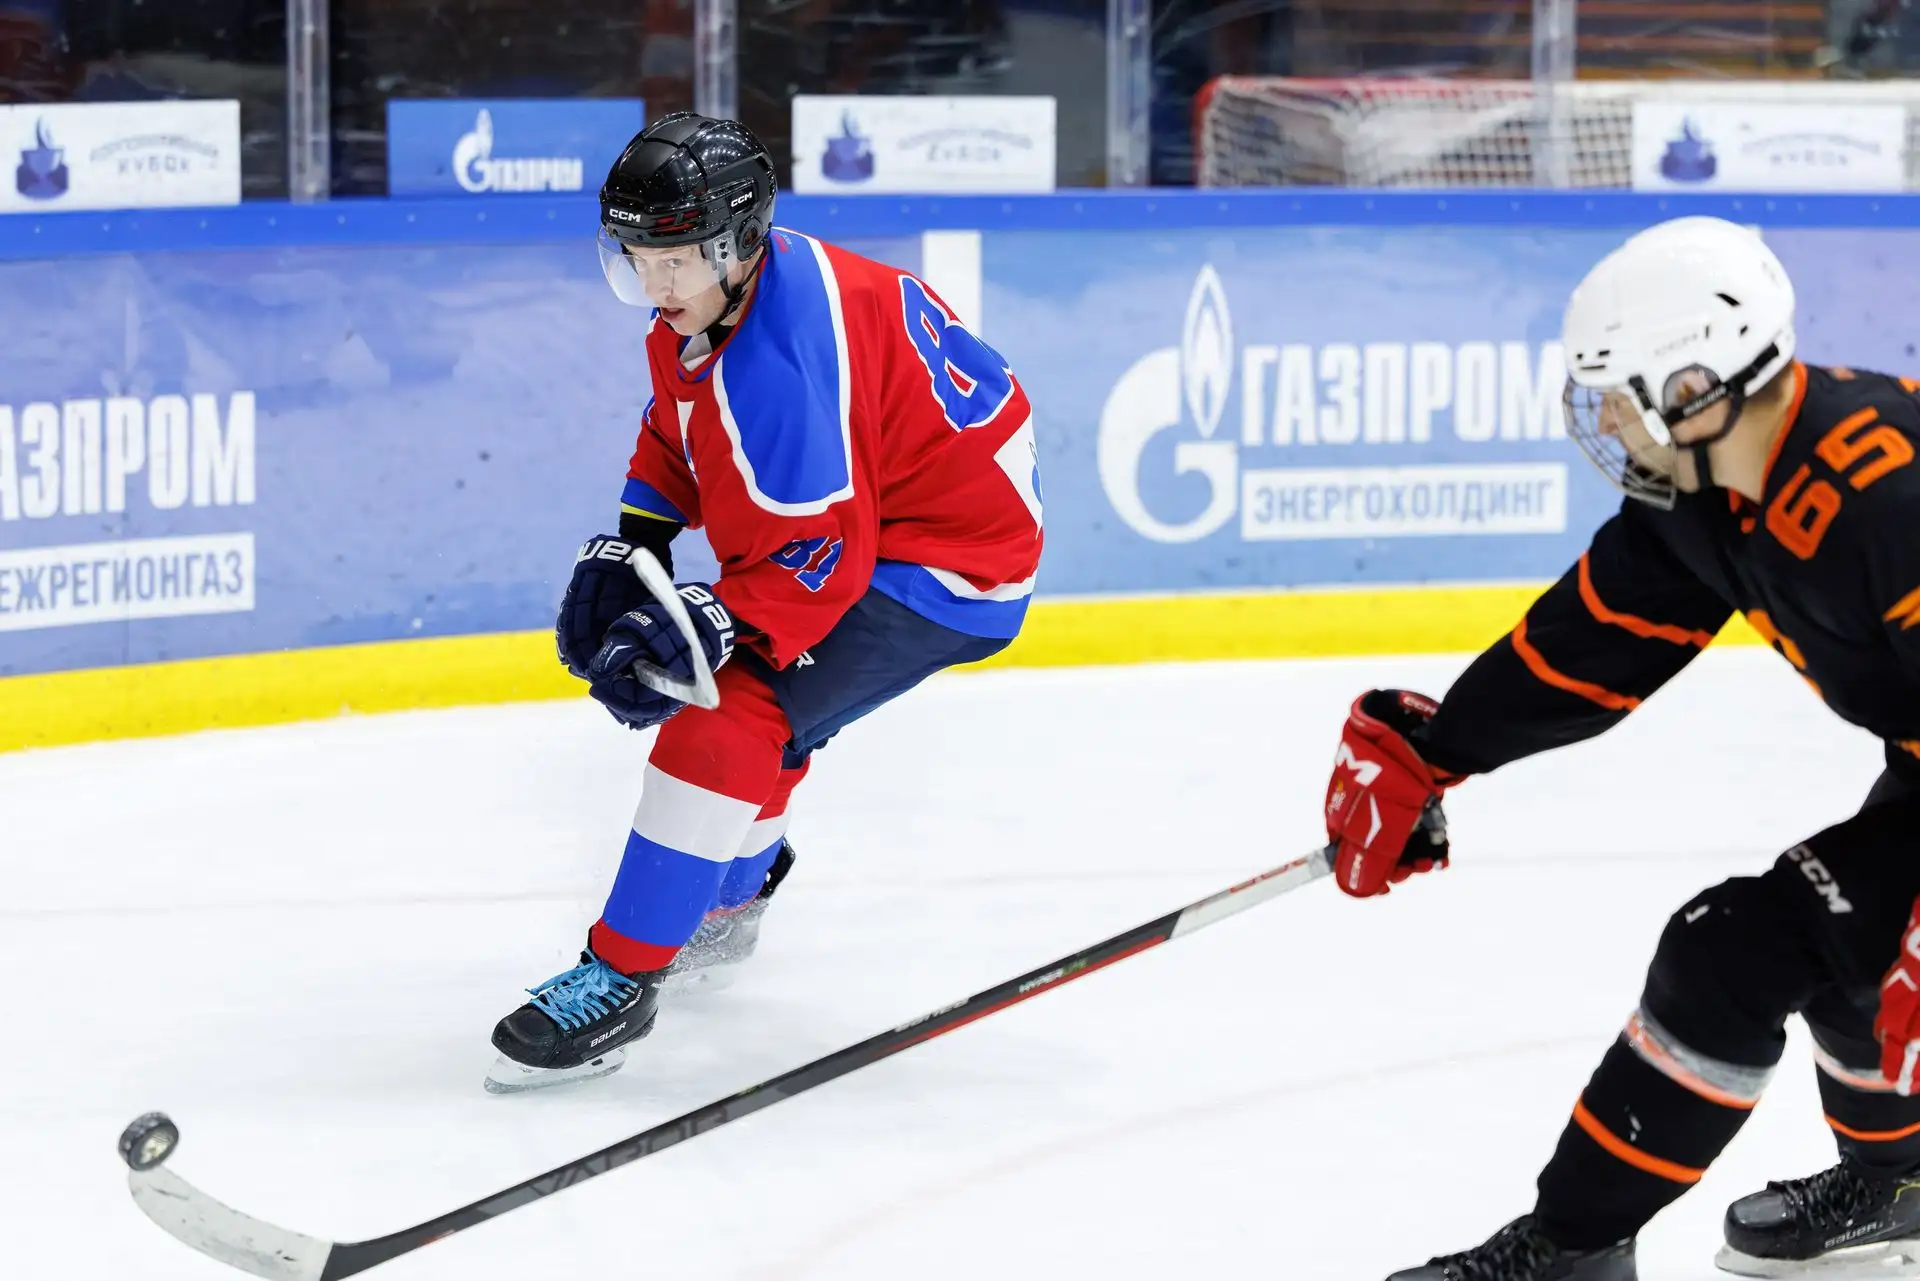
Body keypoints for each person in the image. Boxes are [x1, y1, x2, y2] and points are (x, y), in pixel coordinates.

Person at [1320, 216, 1920, 1279]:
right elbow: (1598, 639)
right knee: (1845, 949)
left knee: (1739, 950)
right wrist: (1436, 750)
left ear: (1695, 386)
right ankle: (1902, 1181)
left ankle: (1570, 1252)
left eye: (1617, 388)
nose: (1601, 415)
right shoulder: (1709, 494)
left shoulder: (1892, 500)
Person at [485, 112, 1044, 1094]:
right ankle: (727, 900)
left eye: (676, 260)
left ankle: (621, 978)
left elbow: (819, 556)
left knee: (728, 705)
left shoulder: (775, 367)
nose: (656, 284)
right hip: (908, 521)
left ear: (740, 242)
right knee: (761, 699)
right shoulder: (727, 300)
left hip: (945, 567)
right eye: (638, 259)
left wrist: (716, 619)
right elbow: (681, 418)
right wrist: (644, 537)